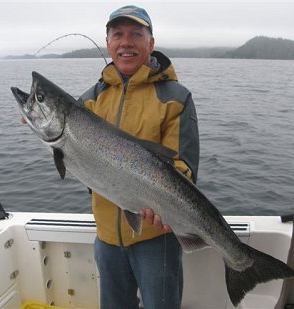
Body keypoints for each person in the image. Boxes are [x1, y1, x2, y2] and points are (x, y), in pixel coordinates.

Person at [78, 5, 199, 309]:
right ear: (108, 44)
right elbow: (73, 155)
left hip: (156, 237)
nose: (126, 42)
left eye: (136, 34)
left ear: (151, 43)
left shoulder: (175, 97)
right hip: (106, 238)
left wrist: (161, 202)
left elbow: (183, 167)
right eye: (117, 34)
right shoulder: (89, 101)